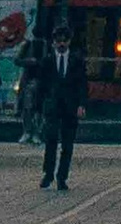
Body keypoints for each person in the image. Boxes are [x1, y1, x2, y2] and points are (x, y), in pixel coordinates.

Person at [36, 15, 90, 193]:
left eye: (64, 41)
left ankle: (62, 177)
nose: (61, 44)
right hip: (52, 106)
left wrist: (82, 104)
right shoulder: (47, 61)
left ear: (69, 41)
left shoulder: (77, 60)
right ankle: (48, 173)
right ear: (54, 42)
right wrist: (39, 106)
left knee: (67, 144)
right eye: (58, 41)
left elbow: (82, 84)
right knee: (50, 140)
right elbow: (42, 85)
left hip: (70, 106)